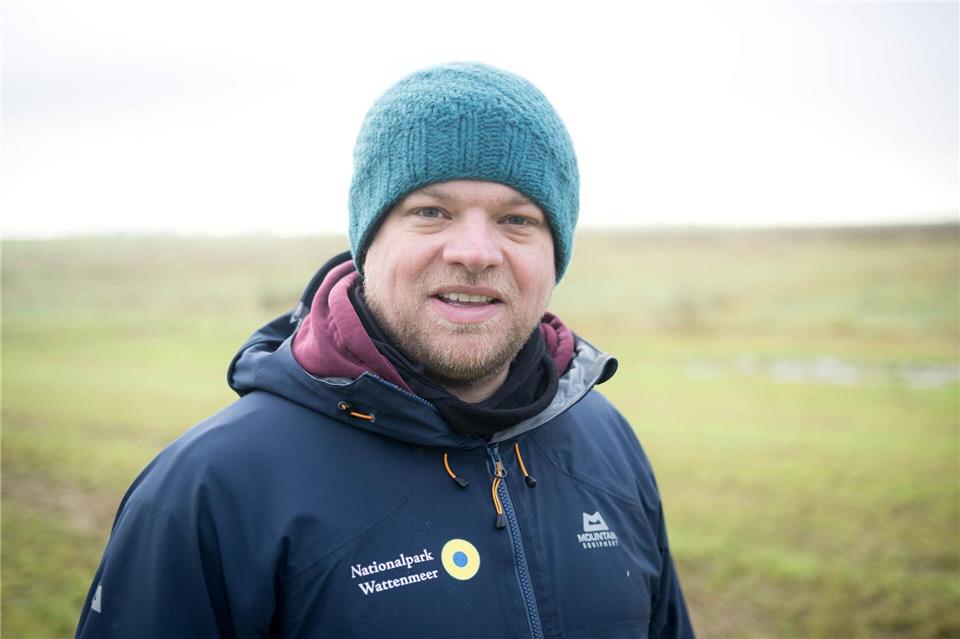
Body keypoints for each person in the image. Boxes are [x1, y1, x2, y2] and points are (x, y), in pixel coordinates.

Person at [76, 62, 694, 639]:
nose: (475, 252)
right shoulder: (214, 488)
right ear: (367, 242)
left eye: (517, 219)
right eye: (430, 211)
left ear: (554, 253)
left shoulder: (607, 444)